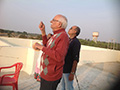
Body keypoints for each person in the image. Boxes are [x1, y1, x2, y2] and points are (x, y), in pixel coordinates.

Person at [32, 14, 69, 90]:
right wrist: (43, 32)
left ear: (59, 24)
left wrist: (40, 47)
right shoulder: (56, 35)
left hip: (51, 75)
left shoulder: (63, 36)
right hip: (46, 72)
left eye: (53, 20)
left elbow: (59, 56)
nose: (51, 21)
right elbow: (47, 46)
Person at [60, 26, 81, 90]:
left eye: (71, 28)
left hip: (68, 70)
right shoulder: (68, 40)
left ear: (75, 32)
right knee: (62, 87)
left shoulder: (76, 42)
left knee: (68, 87)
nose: (69, 29)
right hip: (63, 68)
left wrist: (72, 72)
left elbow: (75, 58)